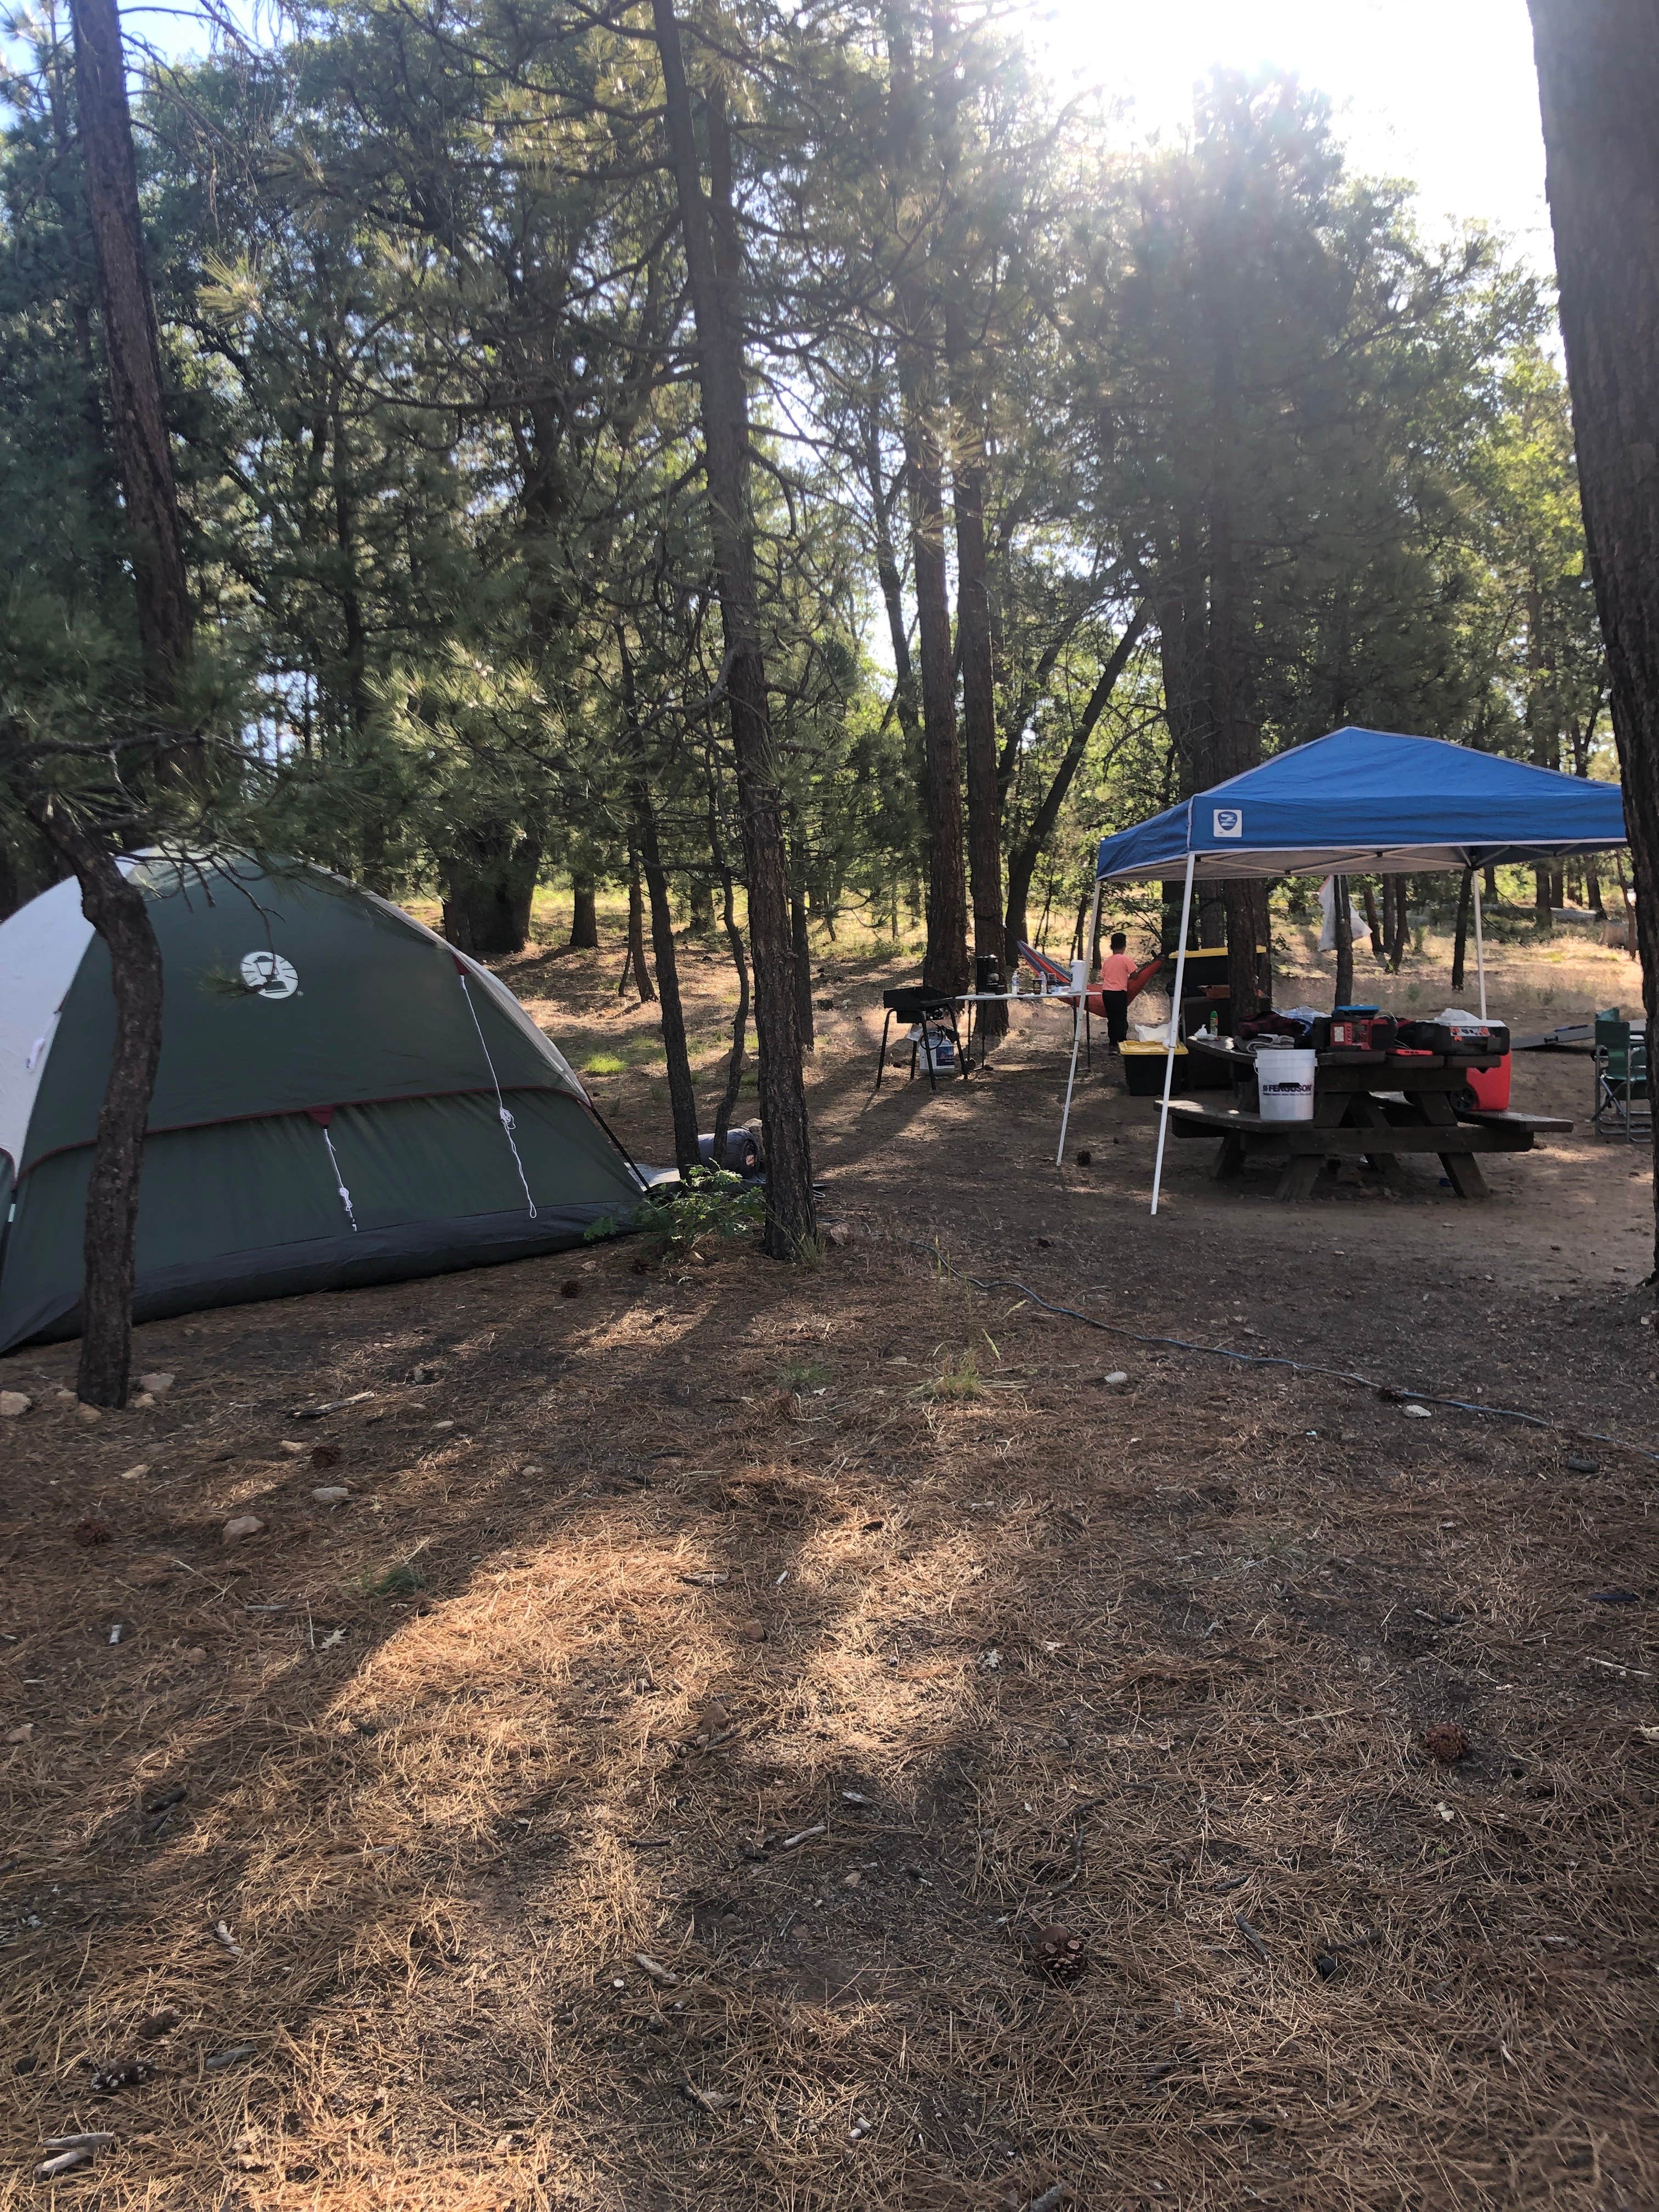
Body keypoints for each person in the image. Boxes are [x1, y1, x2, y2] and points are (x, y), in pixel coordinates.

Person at [1098, 931, 1136, 1051]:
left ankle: (1112, 1044)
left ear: (1111, 947)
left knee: (1112, 1018)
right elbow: (1135, 975)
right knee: (1121, 1018)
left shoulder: (1108, 961)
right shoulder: (1126, 960)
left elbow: (1103, 976)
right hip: (1120, 993)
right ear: (1125, 947)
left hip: (1107, 994)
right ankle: (1122, 1041)